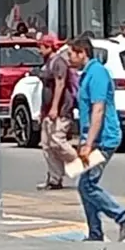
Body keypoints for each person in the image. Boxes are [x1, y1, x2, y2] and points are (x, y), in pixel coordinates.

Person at [67, 37, 125, 242]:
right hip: (93, 138)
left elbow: (98, 110)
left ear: (82, 52)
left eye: (71, 53)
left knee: (88, 185)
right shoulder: (87, 74)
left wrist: (89, 143)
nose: (69, 58)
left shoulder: (97, 74)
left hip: (104, 139)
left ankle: (124, 218)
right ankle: (95, 232)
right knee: (85, 184)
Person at [36, 34, 79, 191]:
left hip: (61, 110)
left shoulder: (59, 62)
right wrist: (43, 111)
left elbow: (60, 85)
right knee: (47, 145)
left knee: (57, 140)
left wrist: (55, 108)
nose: (39, 50)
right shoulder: (47, 63)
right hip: (47, 111)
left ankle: (82, 163)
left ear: (49, 46)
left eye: (41, 46)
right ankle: (54, 179)